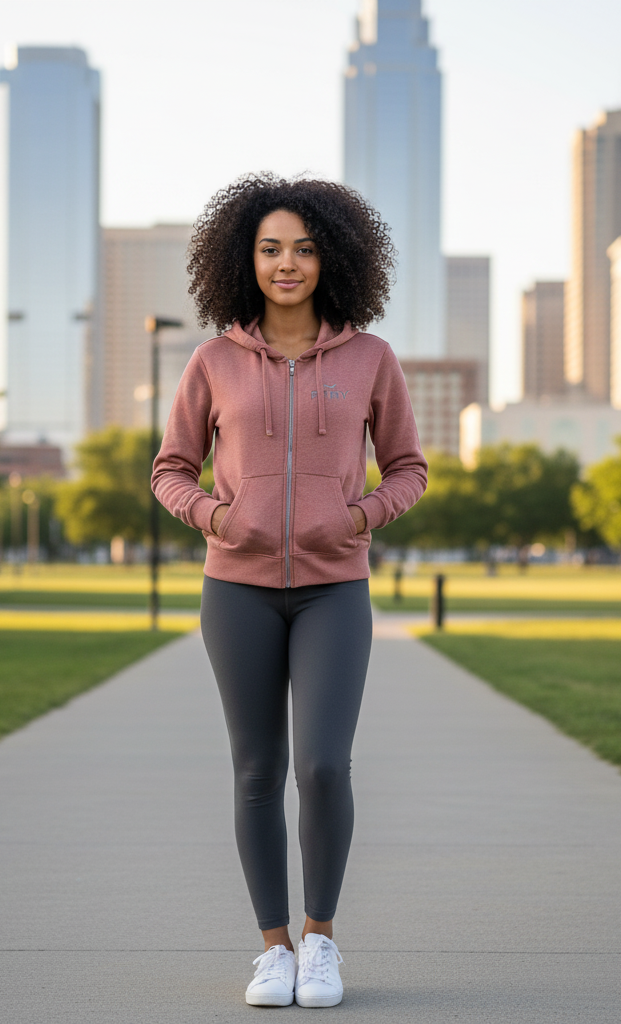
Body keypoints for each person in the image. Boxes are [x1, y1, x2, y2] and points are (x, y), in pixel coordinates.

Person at [152, 174, 427, 1008]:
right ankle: (271, 948)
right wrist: (213, 517)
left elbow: (410, 468)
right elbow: (169, 470)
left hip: (334, 589)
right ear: (246, 257)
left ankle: (321, 942)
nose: (287, 264)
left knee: (323, 764)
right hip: (234, 588)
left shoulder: (371, 359)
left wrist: (362, 515)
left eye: (305, 248)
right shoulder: (213, 361)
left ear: (332, 258)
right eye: (271, 248)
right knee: (256, 769)